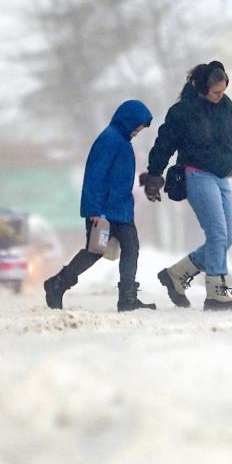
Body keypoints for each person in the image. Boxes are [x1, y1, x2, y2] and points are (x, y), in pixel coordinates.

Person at [139, 61, 232, 311]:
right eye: (216, 92)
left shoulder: (226, 106)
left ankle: (177, 273)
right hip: (197, 174)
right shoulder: (183, 111)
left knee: (227, 238)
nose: (220, 96)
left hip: (221, 175)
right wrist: (154, 175)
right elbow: (164, 144)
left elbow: (229, 144)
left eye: (223, 91)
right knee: (217, 233)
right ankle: (216, 291)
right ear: (203, 87)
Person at [43, 99, 155, 312]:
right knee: (94, 251)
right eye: (137, 126)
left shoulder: (122, 141)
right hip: (103, 211)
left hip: (121, 210)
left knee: (131, 249)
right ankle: (57, 283)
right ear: (128, 120)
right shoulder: (109, 139)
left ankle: (128, 298)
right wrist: (94, 210)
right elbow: (94, 175)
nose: (138, 131)